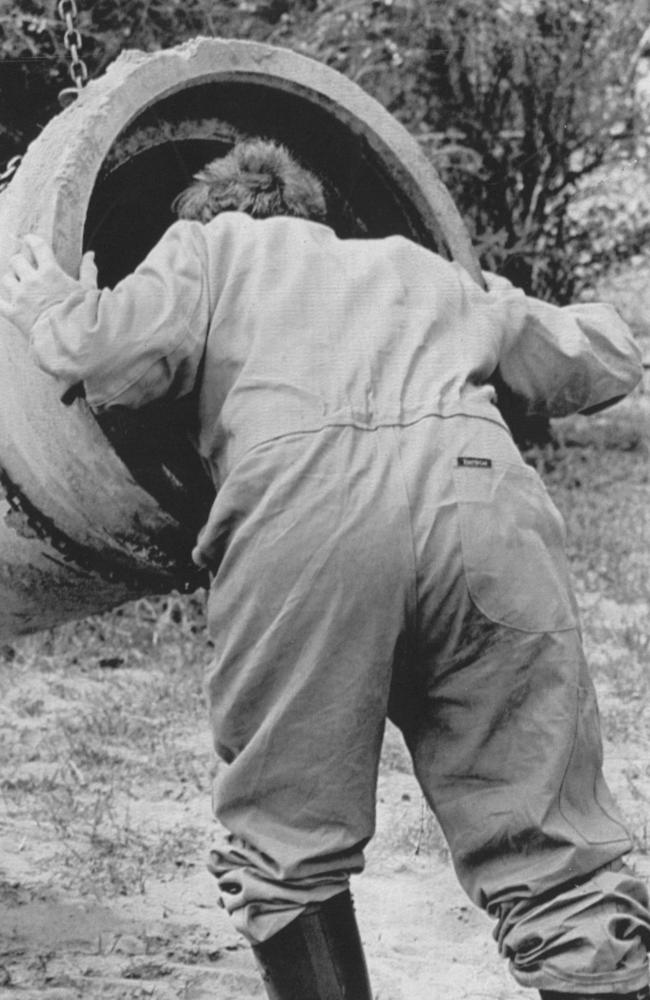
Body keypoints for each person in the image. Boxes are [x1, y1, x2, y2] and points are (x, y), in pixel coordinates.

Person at [1, 138, 649, 1000]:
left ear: (215, 213)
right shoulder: (416, 267)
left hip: (305, 514)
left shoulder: (208, 246)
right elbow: (594, 359)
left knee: (286, 838)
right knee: (551, 837)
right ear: (316, 218)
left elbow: (104, 350)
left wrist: (48, 297)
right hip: (485, 507)